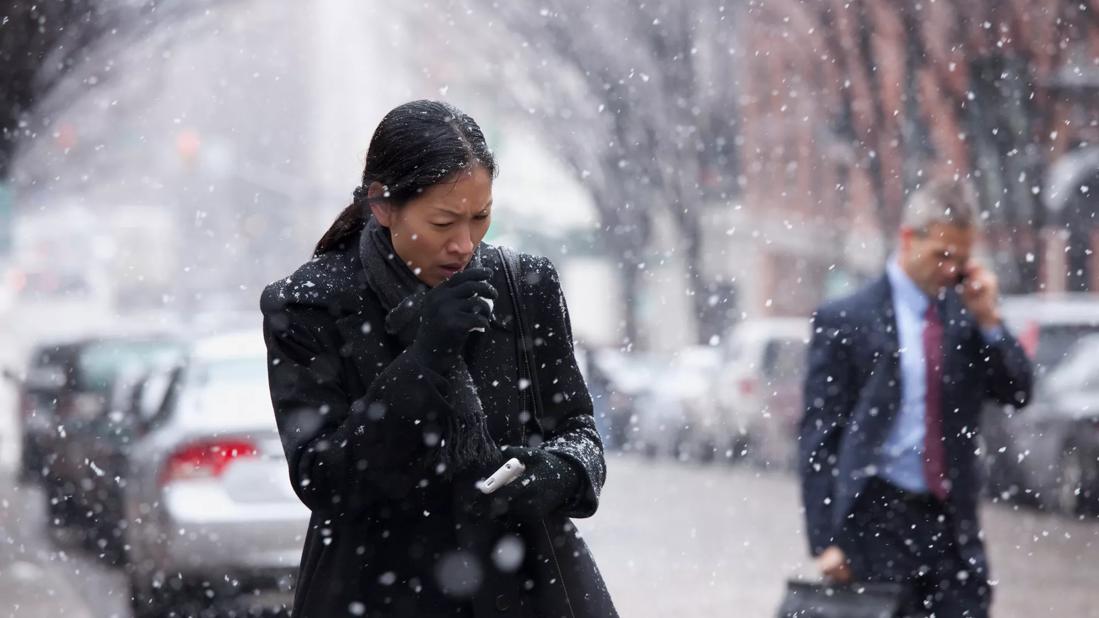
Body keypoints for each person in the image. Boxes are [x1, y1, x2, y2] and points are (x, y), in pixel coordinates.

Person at [261, 100, 618, 618]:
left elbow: (580, 435)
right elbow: (323, 477)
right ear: (382, 206)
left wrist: (551, 474)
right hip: (375, 592)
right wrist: (425, 357)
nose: (465, 244)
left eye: (481, 217)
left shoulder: (524, 286)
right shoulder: (309, 304)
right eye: (444, 221)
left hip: (525, 588)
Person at [798, 178, 1034, 617]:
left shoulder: (965, 317)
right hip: (875, 523)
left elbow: (1018, 391)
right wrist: (826, 539)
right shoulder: (847, 318)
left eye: (960, 261)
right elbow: (819, 434)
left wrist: (989, 321)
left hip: (951, 531)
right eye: (941, 255)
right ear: (909, 239)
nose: (950, 270)